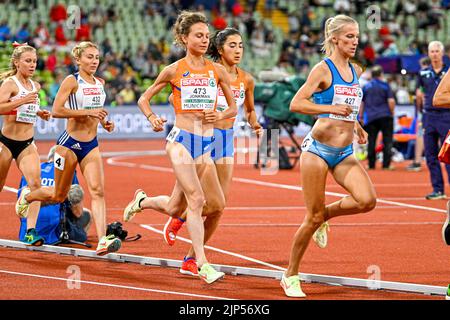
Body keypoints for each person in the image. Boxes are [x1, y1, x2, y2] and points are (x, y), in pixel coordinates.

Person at [126, 27, 262, 277]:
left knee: (212, 206)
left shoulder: (237, 77)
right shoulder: (179, 69)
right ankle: (198, 262)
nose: (238, 50)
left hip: (219, 140)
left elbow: (239, 109)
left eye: (241, 45)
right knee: (197, 200)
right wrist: (154, 117)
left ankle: (145, 202)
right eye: (232, 45)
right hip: (185, 138)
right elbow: (165, 98)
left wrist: (238, 119)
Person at [283, 15, 377, 298]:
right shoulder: (322, 70)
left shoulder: (356, 70)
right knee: (310, 219)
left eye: (357, 36)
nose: (355, 41)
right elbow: (296, 103)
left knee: (367, 200)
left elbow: (349, 105)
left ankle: (326, 215)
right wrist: (330, 110)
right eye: (349, 37)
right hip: (318, 150)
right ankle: (290, 275)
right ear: (334, 38)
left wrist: (357, 126)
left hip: (345, 150)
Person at [15, 41, 121, 255]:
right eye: (89, 57)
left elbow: (97, 111)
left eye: (97, 57)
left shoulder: (99, 82)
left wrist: (104, 123)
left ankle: (103, 240)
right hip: (69, 145)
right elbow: (56, 110)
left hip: (91, 145)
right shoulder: (72, 81)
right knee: (58, 195)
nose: (94, 61)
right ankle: (27, 197)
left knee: (98, 191)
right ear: (78, 60)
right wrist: (87, 113)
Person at [0, 42, 51, 246]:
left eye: (35, 61)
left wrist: (40, 112)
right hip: (5, 142)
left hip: (27, 143)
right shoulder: (10, 84)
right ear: (17, 62)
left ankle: (30, 231)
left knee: (36, 186)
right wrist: (22, 101)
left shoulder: (35, 86)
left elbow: (30, 106)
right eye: (28, 61)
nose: (32, 65)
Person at [18, 146, 91, 245]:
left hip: (24, 233)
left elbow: (21, 208)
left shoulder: (32, 171)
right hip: (51, 235)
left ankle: (30, 232)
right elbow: (77, 211)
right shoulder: (67, 172)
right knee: (86, 214)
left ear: (49, 157)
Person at [416, 41, 450, 200]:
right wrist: (420, 114)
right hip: (428, 116)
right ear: (428, 54)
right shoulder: (422, 73)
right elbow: (419, 94)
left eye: (437, 51)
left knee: (448, 155)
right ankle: (438, 189)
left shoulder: (448, 71)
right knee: (430, 155)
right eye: (432, 51)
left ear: (442, 53)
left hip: (446, 115)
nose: (434, 54)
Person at [360, 65, 395, 170]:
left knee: (371, 140)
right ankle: (386, 164)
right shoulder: (385, 85)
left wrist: (361, 116)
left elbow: (362, 103)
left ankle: (371, 164)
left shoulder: (366, 86)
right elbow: (391, 101)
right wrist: (392, 112)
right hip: (385, 115)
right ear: (381, 74)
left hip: (370, 117)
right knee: (387, 140)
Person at [406, 56, 430, 172]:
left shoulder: (422, 73)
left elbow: (419, 94)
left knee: (420, 135)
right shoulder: (438, 74)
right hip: (439, 110)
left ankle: (417, 161)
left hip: (425, 110)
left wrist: (420, 109)